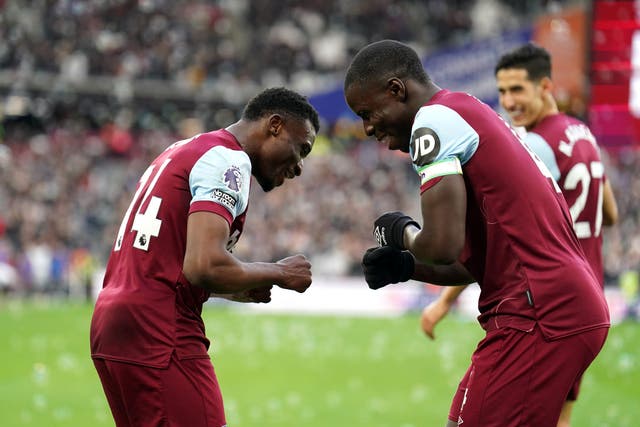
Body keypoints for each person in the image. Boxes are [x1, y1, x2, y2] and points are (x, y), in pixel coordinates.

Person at [344, 40, 610, 427]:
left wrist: (400, 233)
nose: (367, 128)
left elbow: (441, 244)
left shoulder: (432, 121)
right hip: (552, 306)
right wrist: (405, 267)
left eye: (368, 113)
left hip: (538, 314)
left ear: (396, 90)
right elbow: (471, 264)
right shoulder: (464, 108)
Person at [90, 87, 320, 427]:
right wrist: (279, 272)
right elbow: (203, 264)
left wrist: (233, 287)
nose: (300, 166)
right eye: (302, 149)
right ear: (275, 125)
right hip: (160, 329)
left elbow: (168, 260)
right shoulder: (228, 159)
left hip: (115, 321)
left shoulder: (186, 148)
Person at [418, 43, 619, 427]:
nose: (508, 102)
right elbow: (609, 213)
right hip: (584, 296)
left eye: (517, 90)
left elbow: (507, 234)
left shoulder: (535, 144)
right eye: (502, 91)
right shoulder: (583, 135)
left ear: (545, 87)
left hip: (547, 305)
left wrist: (443, 303)